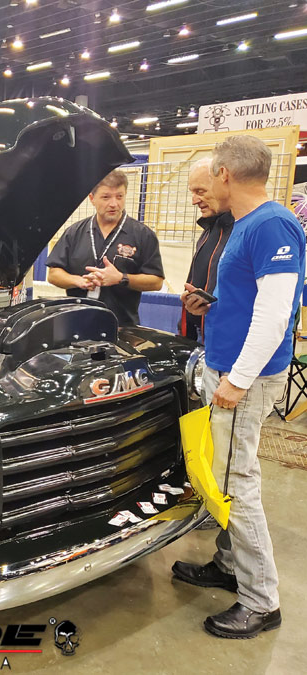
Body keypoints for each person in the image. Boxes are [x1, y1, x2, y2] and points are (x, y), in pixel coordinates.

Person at [172, 135, 305, 639]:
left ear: (225, 174)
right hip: (227, 367)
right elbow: (251, 301)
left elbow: (275, 316)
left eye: (211, 177)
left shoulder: (271, 224)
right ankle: (230, 566)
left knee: (237, 485)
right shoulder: (248, 224)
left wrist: (239, 379)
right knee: (224, 474)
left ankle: (261, 601)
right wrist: (211, 304)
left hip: (243, 379)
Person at [46, 170, 164, 326]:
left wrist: (121, 278)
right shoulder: (74, 233)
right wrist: (78, 281)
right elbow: (53, 274)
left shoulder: (143, 235)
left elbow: (156, 282)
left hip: (121, 327)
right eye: (106, 197)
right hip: (75, 325)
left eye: (119, 196)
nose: (114, 204)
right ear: (92, 198)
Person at [181, 158, 235, 342]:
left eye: (200, 191)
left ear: (223, 183)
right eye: (193, 192)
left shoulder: (243, 230)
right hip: (204, 337)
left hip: (229, 342)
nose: (194, 201)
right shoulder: (211, 228)